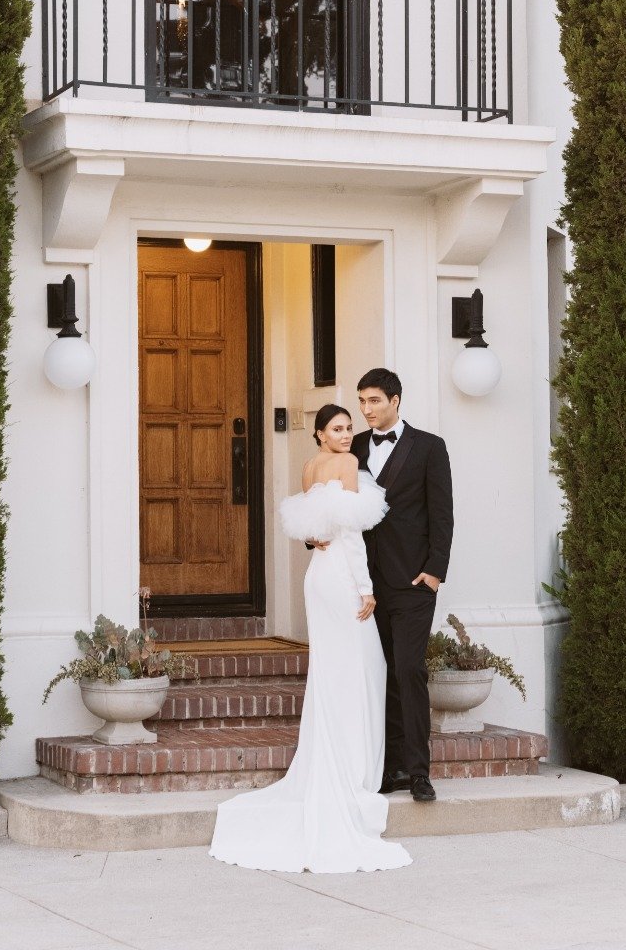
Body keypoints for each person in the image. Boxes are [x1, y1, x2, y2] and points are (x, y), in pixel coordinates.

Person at [209, 403, 411, 874]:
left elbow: (314, 531)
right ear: (320, 434)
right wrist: (366, 587)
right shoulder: (345, 464)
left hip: (317, 577)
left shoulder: (309, 468)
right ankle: (355, 769)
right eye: (337, 429)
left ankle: (337, 757)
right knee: (363, 668)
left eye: (348, 428)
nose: (346, 435)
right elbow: (350, 534)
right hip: (341, 576)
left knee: (334, 670)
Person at [351, 367, 454, 803]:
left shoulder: (429, 447)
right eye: (362, 402)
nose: (366, 410)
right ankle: (387, 768)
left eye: (373, 401)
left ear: (395, 400)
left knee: (409, 670)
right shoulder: (353, 447)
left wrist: (435, 571)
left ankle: (418, 773)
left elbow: (442, 512)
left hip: (413, 583)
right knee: (379, 675)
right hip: (365, 587)